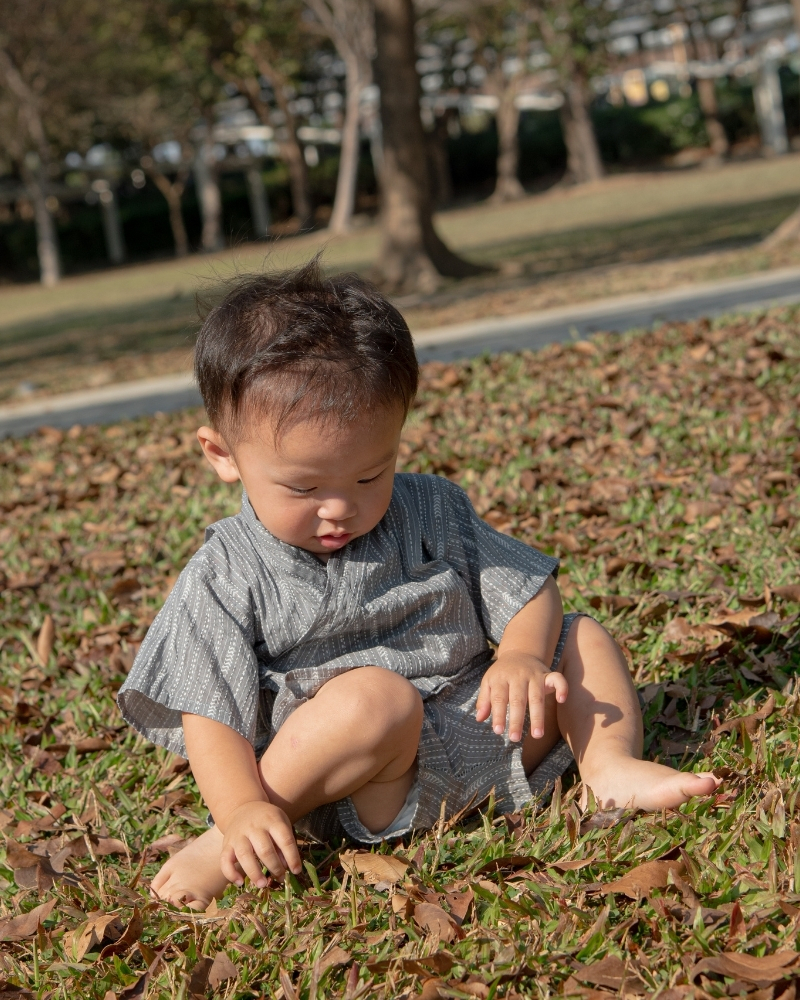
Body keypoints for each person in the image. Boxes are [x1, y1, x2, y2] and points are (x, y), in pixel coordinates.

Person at [118, 259, 720, 909]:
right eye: (305, 486)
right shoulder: (226, 572)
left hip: (484, 735)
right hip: (363, 779)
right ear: (222, 456)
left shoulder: (431, 508)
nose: (339, 507)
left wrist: (519, 656)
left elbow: (526, 586)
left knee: (579, 638)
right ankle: (232, 842)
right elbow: (210, 713)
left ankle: (608, 767)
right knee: (374, 700)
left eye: (370, 475)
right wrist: (238, 807)